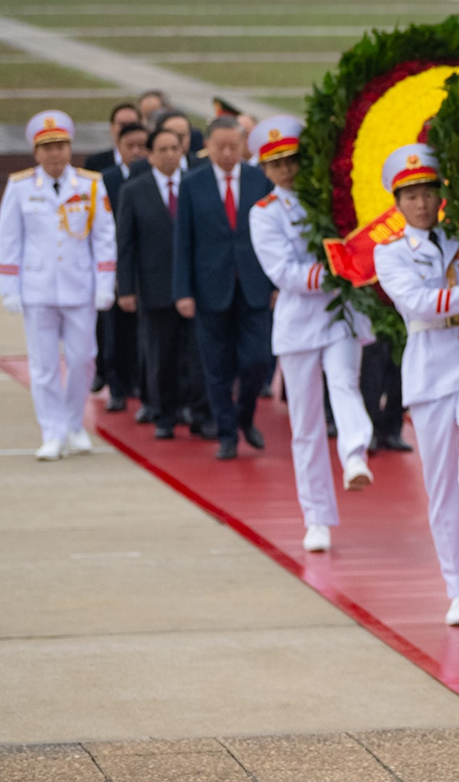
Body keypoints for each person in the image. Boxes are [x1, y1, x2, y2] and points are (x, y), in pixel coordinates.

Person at [372, 143, 459, 625]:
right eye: (411, 195)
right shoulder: (389, 253)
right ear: (398, 201)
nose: (422, 202)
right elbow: (420, 304)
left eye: (428, 191)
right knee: (440, 486)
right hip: (429, 369)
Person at [247, 116, 375, 552]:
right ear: (264, 169)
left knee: (344, 381)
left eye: (293, 160)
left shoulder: (328, 200)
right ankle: (316, 517)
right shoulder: (263, 213)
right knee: (305, 425)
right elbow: (283, 272)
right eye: (276, 163)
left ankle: (355, 453)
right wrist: (336, 270)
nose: (287, 169)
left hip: (340, 314)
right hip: (300, 319)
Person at [0, 111, 116, 461]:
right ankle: (52, 432)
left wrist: (105, 282)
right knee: (44, 365)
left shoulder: (90, 184)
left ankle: (74, 424)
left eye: (60, 145)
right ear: (36, 152)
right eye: (47, 147)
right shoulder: (20, 187)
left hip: (80, 286)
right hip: (37, 287)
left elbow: (104, 237)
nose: (54, 153)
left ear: (70, 148)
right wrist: (9, 287)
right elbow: (9, 240)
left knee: (83, 360)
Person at [172, 117, 275, 460]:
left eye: (234, 146)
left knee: (257, 361)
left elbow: (273, 237)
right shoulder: (192, 184)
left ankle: (245, 417)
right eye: (221, 147)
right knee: (216, 367)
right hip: (209, 288)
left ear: (243, 145)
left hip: (254, 287)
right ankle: (227, 433)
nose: (227, 153)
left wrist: (275, 283)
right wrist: (183, 291)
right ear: (209, 147)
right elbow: (183, 241)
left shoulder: (261, 180)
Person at [116, 126, 207, 440]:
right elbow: (125, 244)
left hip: (195, 288)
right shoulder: (134, 190)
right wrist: (125, 288)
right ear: (151, 155)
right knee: (161, 359)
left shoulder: (195, 186)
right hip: (155, 288)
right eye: (162, 149)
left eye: (174, 148)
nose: (169, 154)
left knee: (198, 356)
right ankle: (165, 415)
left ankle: (200, 414)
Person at [94, 120, 152, 411]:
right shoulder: (105, 180)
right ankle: (116, 388)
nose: (137, 151)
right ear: (119, 148)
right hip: (117, 267)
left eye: (143, 146)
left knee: (146, 335)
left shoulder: (157, 179)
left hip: (151, 268)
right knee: (116, 332)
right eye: (131, 146)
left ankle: (142, 387)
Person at [360, 342, 412, 451]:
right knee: (372, 377)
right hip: (375, 333)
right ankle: (370, 431)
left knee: (399, 378)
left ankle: (393, 432)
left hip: (401, 333)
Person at [85, 102, 142, 173]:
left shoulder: (148, 161)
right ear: (112, 127)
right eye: (123, 124)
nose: (127, 130)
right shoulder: (95, 163)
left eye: (133, 125)